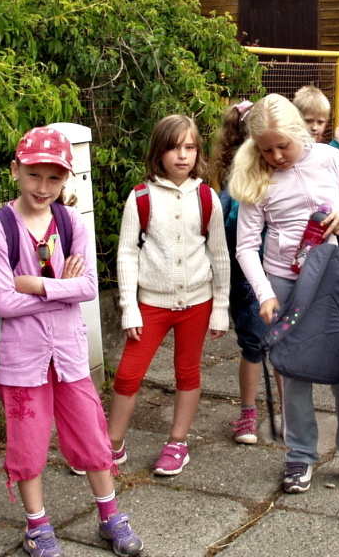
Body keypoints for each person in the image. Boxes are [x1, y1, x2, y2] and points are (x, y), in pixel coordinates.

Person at [0, 127, 142, 557]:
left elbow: (87, 288)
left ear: (66, 179)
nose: (43, 187)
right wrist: (60, 290)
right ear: (16, 170)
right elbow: (3, 301)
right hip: (21, 358)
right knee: (28, 442)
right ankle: (37, 526)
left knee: (90, 432)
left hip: (69, 354)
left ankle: (110, 515)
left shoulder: (72, 224)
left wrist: (34, 285)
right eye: (34, 175)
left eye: (54, 178)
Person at [229, 93, 339, 495]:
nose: (276, 156)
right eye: (266, 150)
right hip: (285, 284)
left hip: (334, 276)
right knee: (292, 369)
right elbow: (246, 246)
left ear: (299, 132)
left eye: (283, 146)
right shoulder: (257, 176)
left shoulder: (329, 159)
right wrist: (264, 294)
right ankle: (299, 454)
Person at [107, 115, 230, 475]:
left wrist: (221, 308)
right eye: (174, 147)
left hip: (197, 303)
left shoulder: (207, 198)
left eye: (190, 147)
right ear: (158, 152)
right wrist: (129, 308)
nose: (182, 155)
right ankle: (112, 444)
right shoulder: (141, 197)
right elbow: (127, 254)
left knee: (187, 372)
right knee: (128, 375)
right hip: (151, 304)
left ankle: (177, 442)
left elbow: (220, 255)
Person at [209, 100, 271, 445]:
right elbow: (227, 235)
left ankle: (282, 415)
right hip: (248, 277)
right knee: (255, 346)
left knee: (270, 347)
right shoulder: (234, 188)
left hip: (273, 272)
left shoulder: (280, 174)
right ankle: (249, 413)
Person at [293, 85, 339, 151]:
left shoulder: (324, 145)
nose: (314, 128)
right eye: (308, 121)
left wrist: (337, 143)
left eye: (320, 122)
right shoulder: (290, 145)